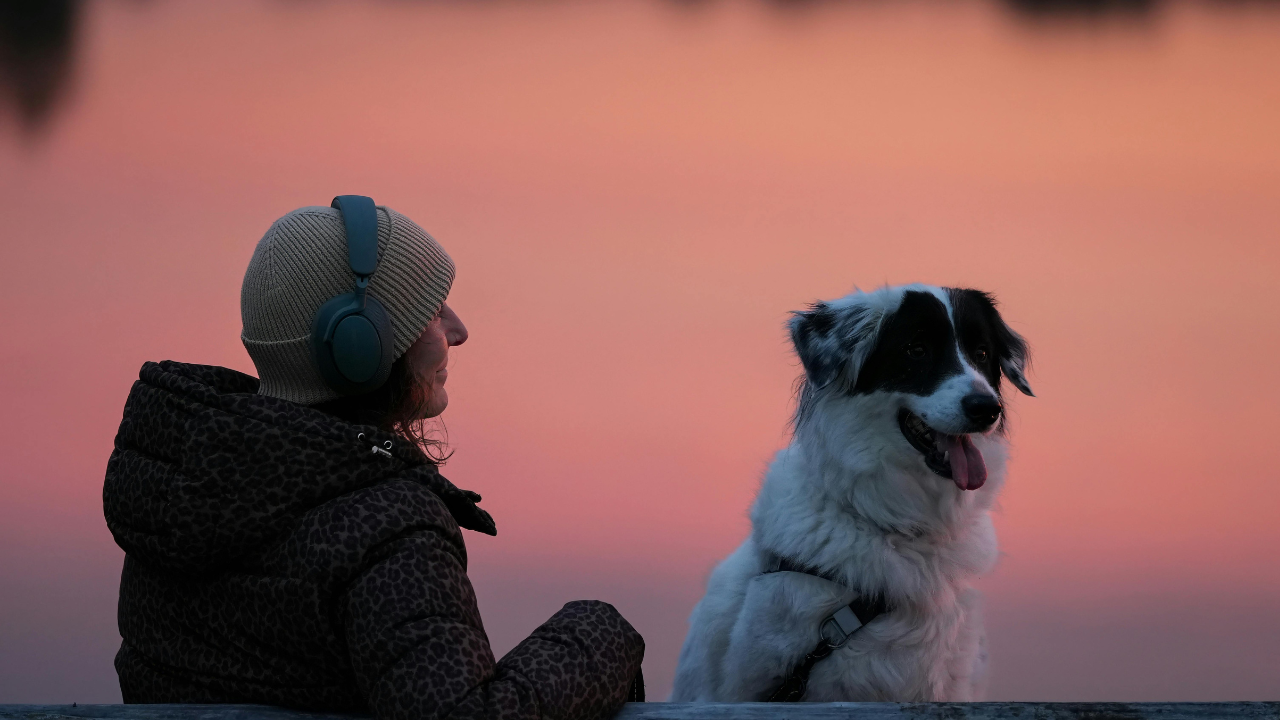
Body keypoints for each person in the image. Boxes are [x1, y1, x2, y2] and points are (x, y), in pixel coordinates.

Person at [102, 199, 645, 720]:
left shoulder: (178, 495)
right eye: (432, 311)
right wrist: (599, 632)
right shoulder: (385, 533)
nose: (458, 331)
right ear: (358, 346)